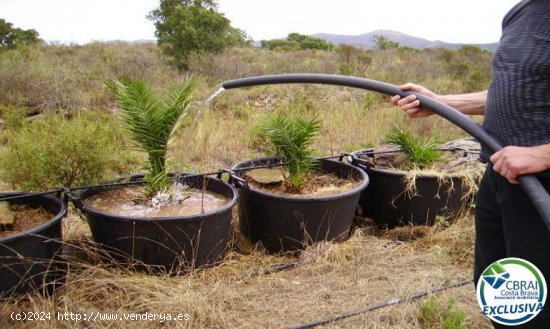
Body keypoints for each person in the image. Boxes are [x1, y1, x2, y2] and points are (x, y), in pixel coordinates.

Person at [391, 0, 550, 328]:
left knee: (538, 305)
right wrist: (443, 103)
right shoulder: (522, 12)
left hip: (543, 186)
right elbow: (516, 90)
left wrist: (542, 154)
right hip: (501, 176)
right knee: (501, 291)